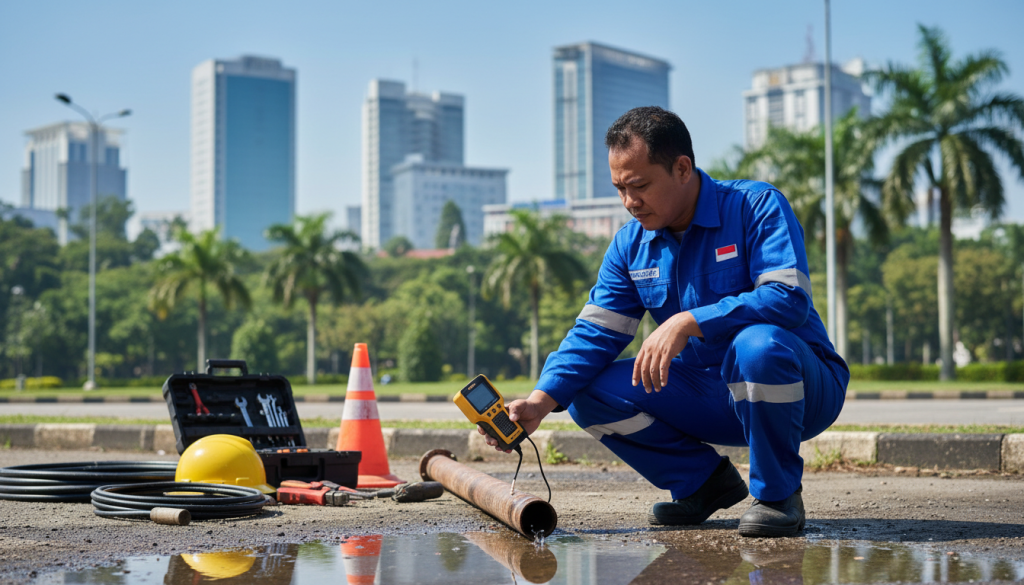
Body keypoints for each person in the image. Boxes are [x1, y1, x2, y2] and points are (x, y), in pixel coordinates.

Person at [482, 106, 848, 537]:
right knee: (583, 392)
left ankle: (777, 495)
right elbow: (595, 333)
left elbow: (788, 298)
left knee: (758, 345)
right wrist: (541, 401)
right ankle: (702, 483)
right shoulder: (630, 246)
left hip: (800, 389)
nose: (629, 202)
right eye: (620, 188)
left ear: (681, 168)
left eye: (639, 186)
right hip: (708, 394)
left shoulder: (755, 206)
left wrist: (689, 320)